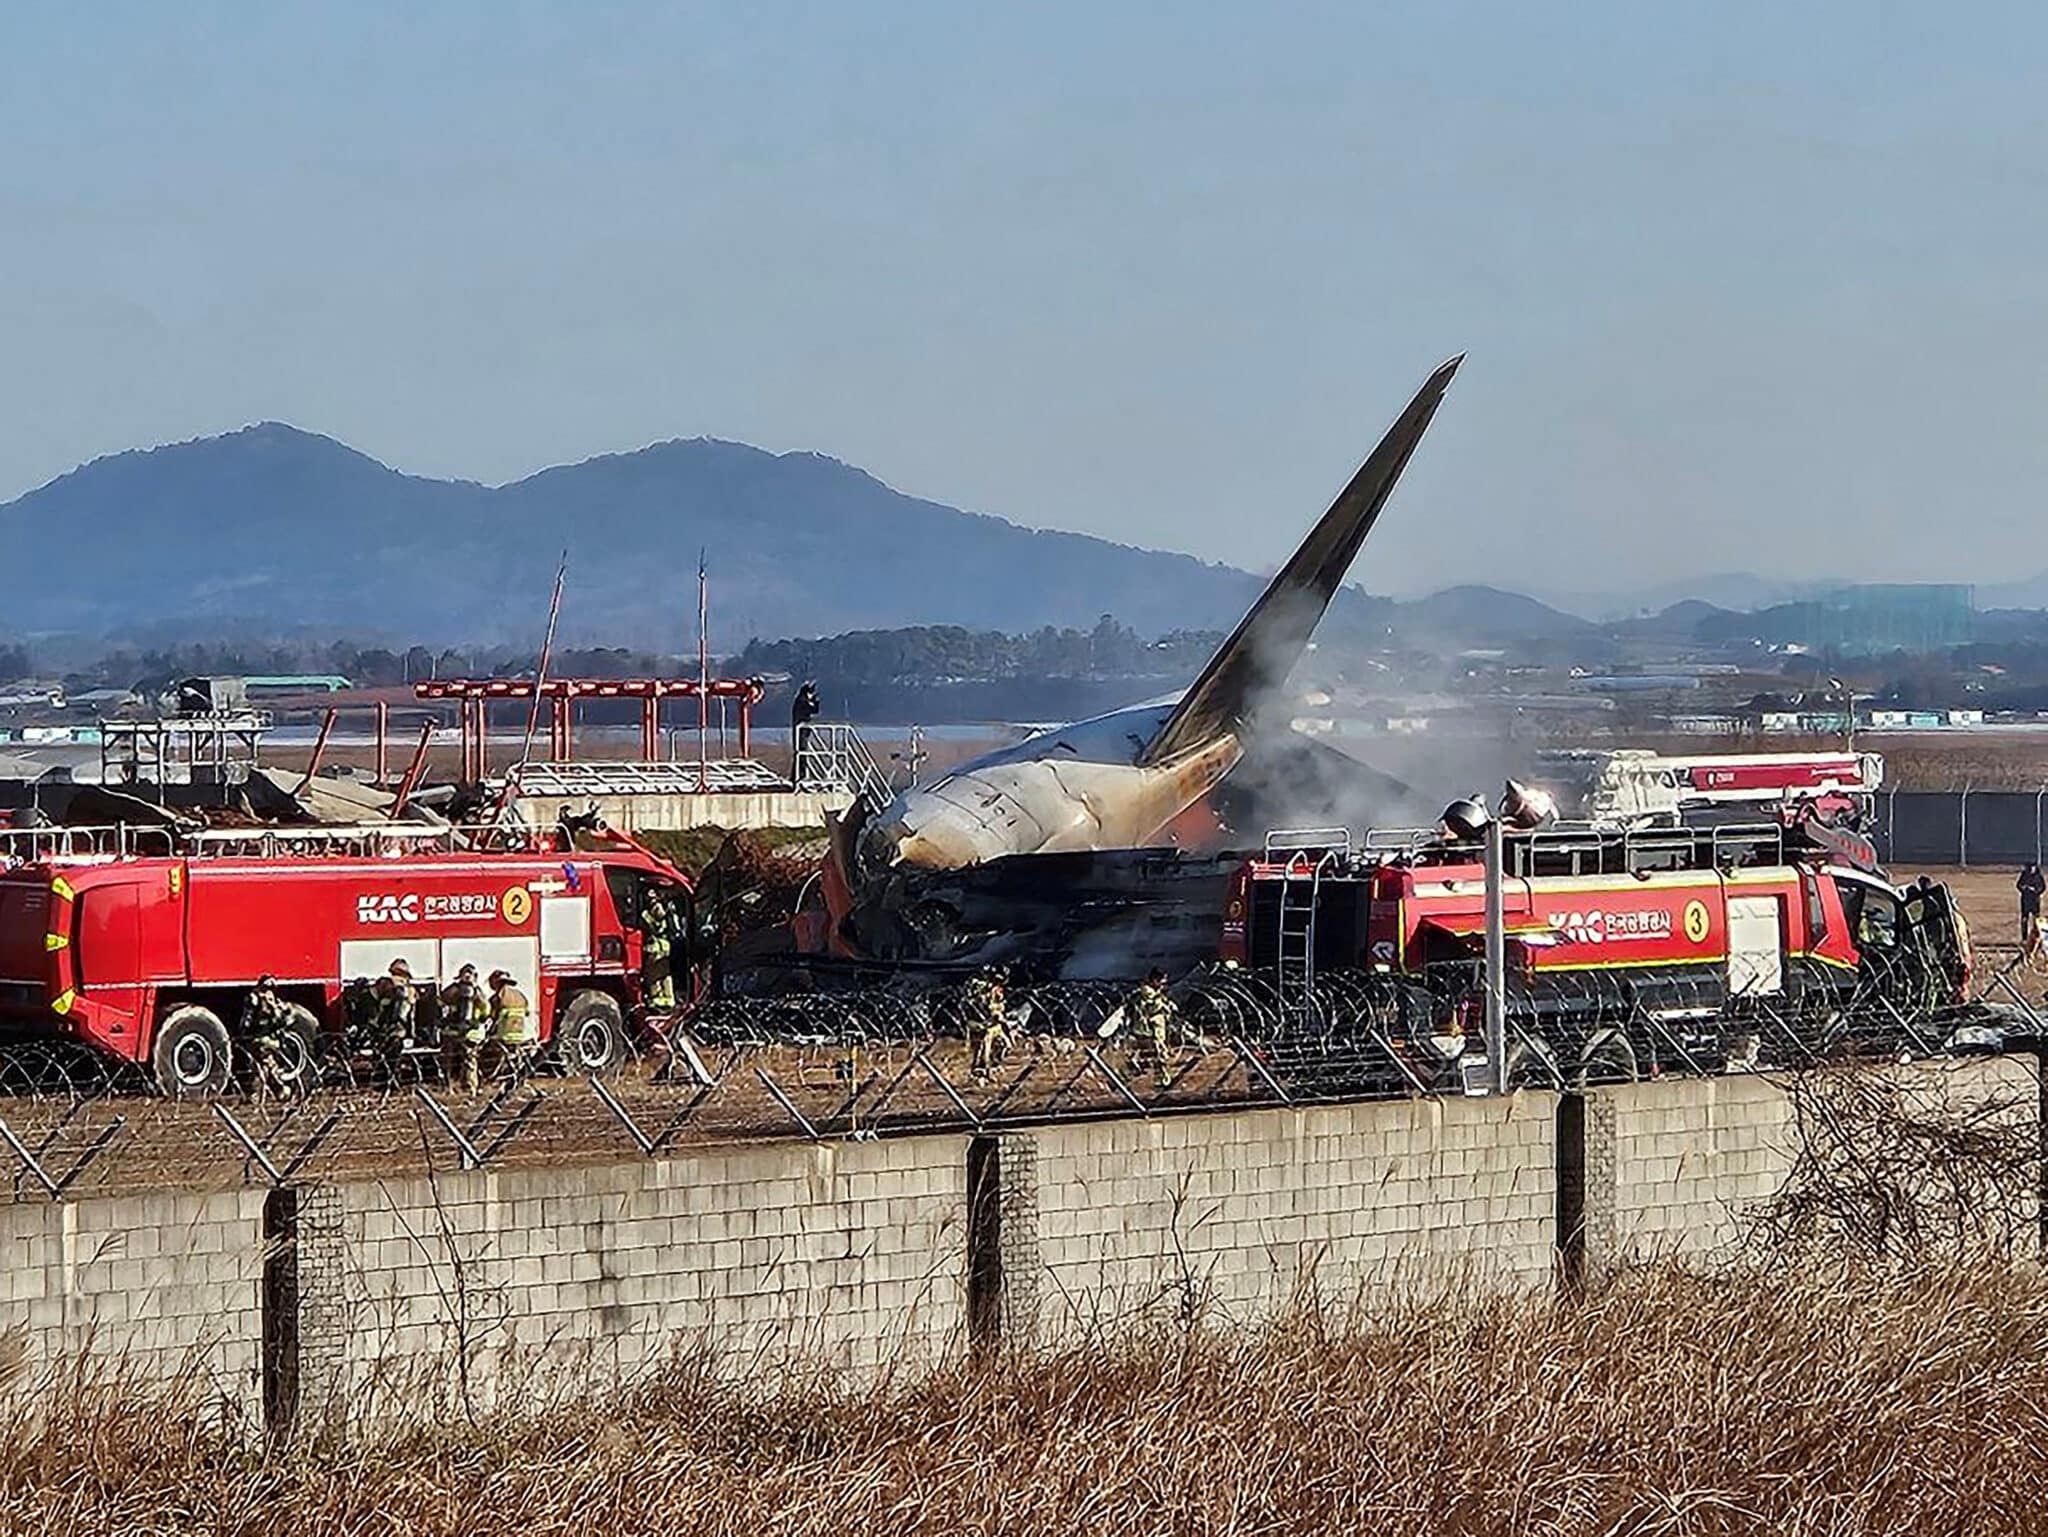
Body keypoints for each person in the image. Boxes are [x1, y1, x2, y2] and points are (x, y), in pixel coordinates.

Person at [239, 975, 298, 1101]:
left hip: (263, 1039)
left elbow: (246, 1021)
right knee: (264, 1068)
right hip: (263, 1039)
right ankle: (273, 1093)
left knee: (264, 1068)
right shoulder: (261, 999)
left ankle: (263, 1094)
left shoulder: (261, 999)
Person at [438, 963, 488, 1094]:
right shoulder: (478, 993)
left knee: (449, 1061)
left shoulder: (451, 990)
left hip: (452, 1032)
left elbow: (440, 1003)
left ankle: (448, 1087)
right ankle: (470, 1088)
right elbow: (486, 1011)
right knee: (469, 1061)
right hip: (468, 1033)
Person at [489, 969, 539, 1080]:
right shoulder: (521, 996)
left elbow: (492, 1017)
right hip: (522, 1035)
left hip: (505, 1035)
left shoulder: (497, 997)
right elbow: (527, 1013)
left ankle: (496, 1074)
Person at [963, 965, 1008, 1080]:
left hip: (994, 1025)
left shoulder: (996, 990)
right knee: (982, 1050)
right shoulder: (983, 989)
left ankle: (991, 1066)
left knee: (1005, 1045)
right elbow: (985, 1006)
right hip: (983, 1024)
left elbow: (998, 1005)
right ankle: (983, 1071)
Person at [1131, 967, 1178, 1074]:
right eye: (1162, 980)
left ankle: (1151, 1060)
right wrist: (1164, 1006)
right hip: (1149, 1021)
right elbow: (1152, 1005)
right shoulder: (1146, 990)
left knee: (1153, 1042)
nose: (1164, 982)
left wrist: (1169, 1003)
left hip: (1157, 1020)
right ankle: (1162, 1065)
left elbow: (1162, 999)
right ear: (1155, 979)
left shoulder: (1156, 989)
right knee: (1155, 1042)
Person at [374, 959, 417, 1067]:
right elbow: (411, 1015)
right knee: (392, 1060)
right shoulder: (409, 990)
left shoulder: (385, 985)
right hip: (397, 1030)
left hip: (386, 1030)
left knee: (384, 1059)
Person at [641, 887, 676, 1011]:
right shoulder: (661, 907)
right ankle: (667, 999)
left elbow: (658, 925)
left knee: (653, 975)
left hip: (656, 947)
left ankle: (657, 1000)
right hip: (662, 946)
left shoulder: (656, 908)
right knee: (663, 974)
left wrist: (645, 917)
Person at [2019, 864, 2044, 947]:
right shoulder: (2024, 875)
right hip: (2026, 901)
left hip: (2035, 901)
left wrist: (2036, 891)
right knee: (2024, 920)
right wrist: (2024, 889)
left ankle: (2036, 938)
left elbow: (2043, 887)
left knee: (2036, 921)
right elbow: (2019, 885)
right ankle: (2024, 938)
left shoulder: (2038, 876)